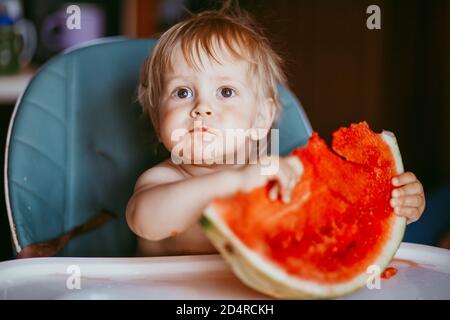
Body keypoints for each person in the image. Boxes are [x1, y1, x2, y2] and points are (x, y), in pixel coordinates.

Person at [126, 8, 425, 256]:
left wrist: (394, 202)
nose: (202, 107)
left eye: (226, 91)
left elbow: (335, 222)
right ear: (158, 119)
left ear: (262, 118)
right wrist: (236, 181)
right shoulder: (161, 180)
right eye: (181, 93)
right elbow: (145, 221)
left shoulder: (279, 179)